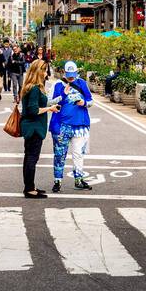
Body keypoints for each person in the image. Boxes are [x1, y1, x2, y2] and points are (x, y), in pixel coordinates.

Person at [50, 60, 93, 193]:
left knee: (78, 154)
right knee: (59, 155)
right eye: (69, 74)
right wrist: (63, 94)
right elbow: (49, 101)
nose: (71, 77)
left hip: (80, 126)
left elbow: (90, 101)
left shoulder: (82, 83)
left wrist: (83, 102)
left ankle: (78, 179)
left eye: (73, 74)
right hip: (61, 126)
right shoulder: (57, 85)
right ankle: (57, 181)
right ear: (64, 72)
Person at [19, 60, 59, 198]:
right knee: (31, 158)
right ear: (38, 71)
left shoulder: (30, 86)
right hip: (34, 128)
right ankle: (29, 189)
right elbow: (33, 110)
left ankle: (30, 186)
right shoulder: (35, 88)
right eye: (44, 70)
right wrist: (50, 109)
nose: (46, 73)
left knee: (29, 158)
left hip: (31, 127)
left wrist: (54, 102)